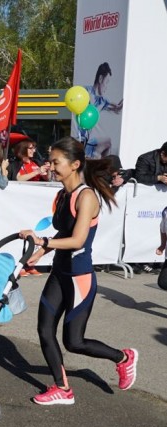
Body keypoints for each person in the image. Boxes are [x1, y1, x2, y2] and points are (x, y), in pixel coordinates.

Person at [19, 136, 138, 406]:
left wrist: (41, 241)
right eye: (50, 161)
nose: (50, 167)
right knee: (44, 330)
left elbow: (78, 240)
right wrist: (40, 253)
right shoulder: (62, 195)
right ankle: (62, 388)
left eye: (56, 162)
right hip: (59, 273)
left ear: (74, 164)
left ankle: (123, 357)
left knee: (74, 342)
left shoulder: (87, 197)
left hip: (79, 278)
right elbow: (64, 232)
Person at [81, 63, 123, 159]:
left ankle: (104, 164)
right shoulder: (85, 92)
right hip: (80, 139)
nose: (107, 87)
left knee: (108, 142)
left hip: (90, 139)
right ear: (100, 79)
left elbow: (116, 108)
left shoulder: (103, 100)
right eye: (106, 82)